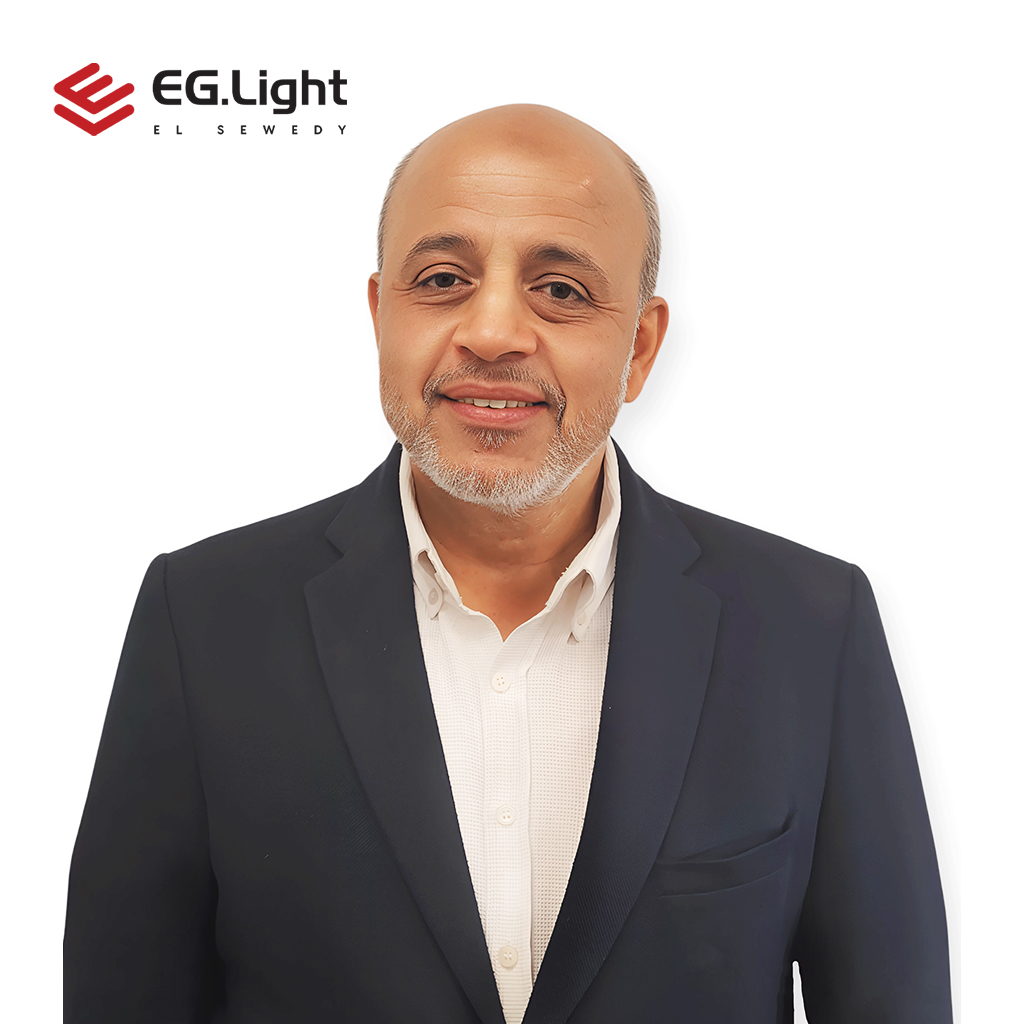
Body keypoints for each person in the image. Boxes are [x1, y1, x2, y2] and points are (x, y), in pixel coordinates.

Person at [64, 105, 953, 1024]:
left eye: (561, 290)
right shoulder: (202, 619)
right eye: (442, 280)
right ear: (380, 314)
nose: (492, 332)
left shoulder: (810, 626)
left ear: (641, 347)